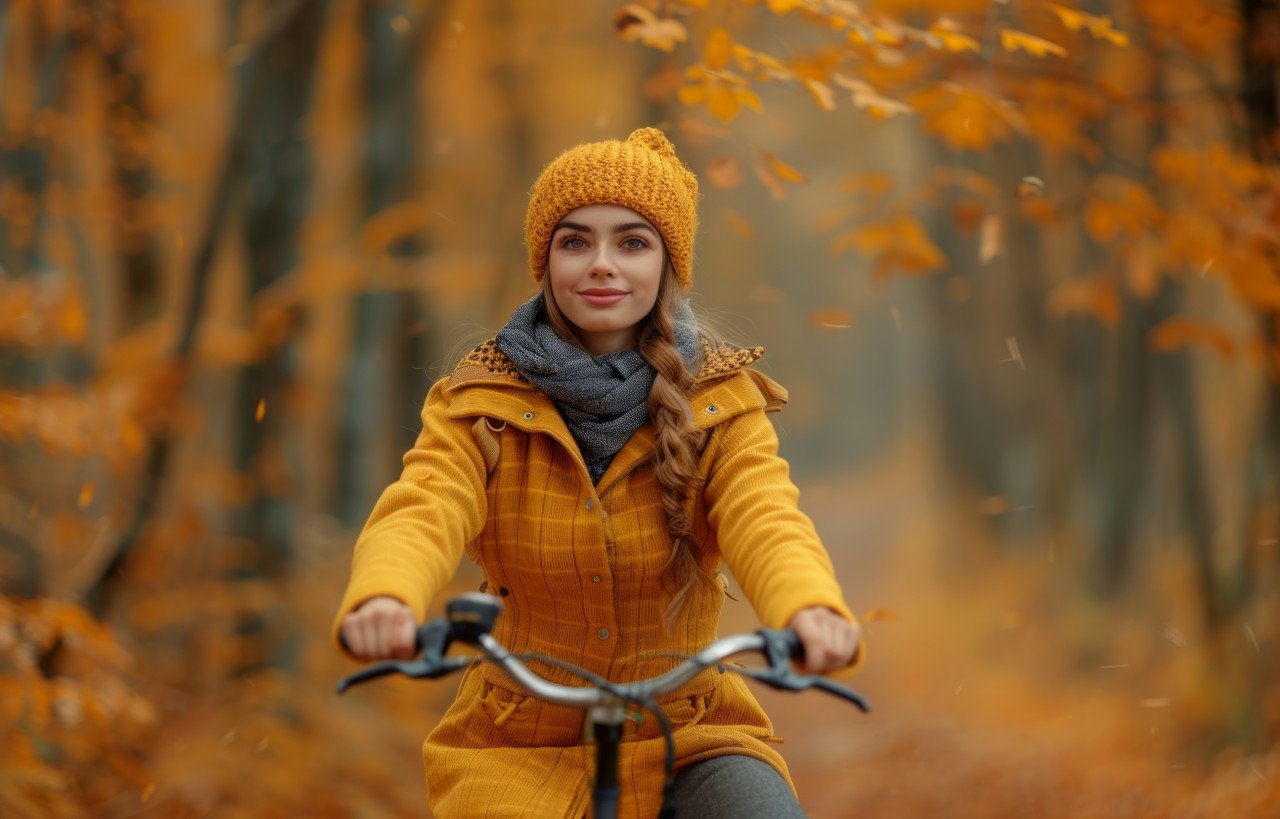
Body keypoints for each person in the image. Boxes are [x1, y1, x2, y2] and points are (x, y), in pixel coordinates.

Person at [333, 127, 864, 818]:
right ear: (545, 260)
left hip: (691, 730)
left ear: (668, 263)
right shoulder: (480, 402)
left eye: (632, 242)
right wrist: (386, 597)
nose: (602, 264)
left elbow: (767, 515)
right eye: (575, 240)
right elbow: (424, 504)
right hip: (517, 739)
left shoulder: (720, 402)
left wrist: (810, 609)